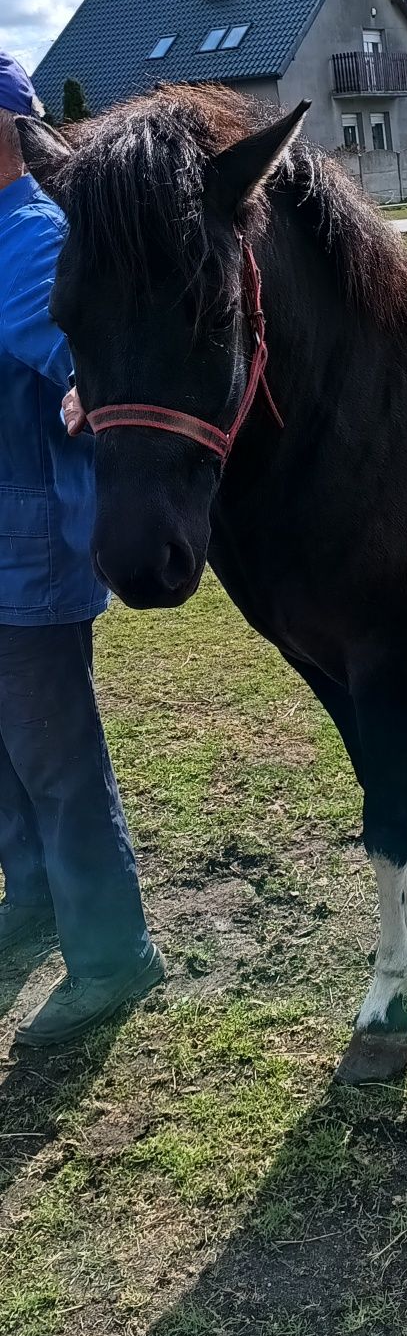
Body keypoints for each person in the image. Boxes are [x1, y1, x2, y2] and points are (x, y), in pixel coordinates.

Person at [0, 52, 163, 1045]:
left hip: (28, 553)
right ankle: (32, 902)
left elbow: (83, 357)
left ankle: (111, 953)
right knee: (11, 758)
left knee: (56, 759)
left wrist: (83, 387)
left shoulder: (29, 241)